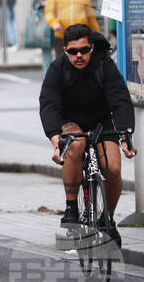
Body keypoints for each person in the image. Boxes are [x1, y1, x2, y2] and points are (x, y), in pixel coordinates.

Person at [39, 23, 136, 235]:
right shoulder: (57, 69)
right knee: (75, 145)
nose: (79, 55)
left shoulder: (105, 65)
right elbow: (49, 104)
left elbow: (120, 99)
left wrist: (125, 133)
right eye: (73, 51)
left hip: (101, 121)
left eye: (84, 50)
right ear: (65, 51)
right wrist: (55, 139)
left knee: (113, 169)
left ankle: (107, 219)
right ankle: (71, 207)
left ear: (92, 47)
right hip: (70, 121)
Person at [33, 0, 62, 70]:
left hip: (58, 25)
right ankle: (47, 74)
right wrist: (44, 4)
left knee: (59, 52)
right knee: (46, 52)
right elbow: (35, 4)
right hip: (45, 25)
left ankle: (56, 75)